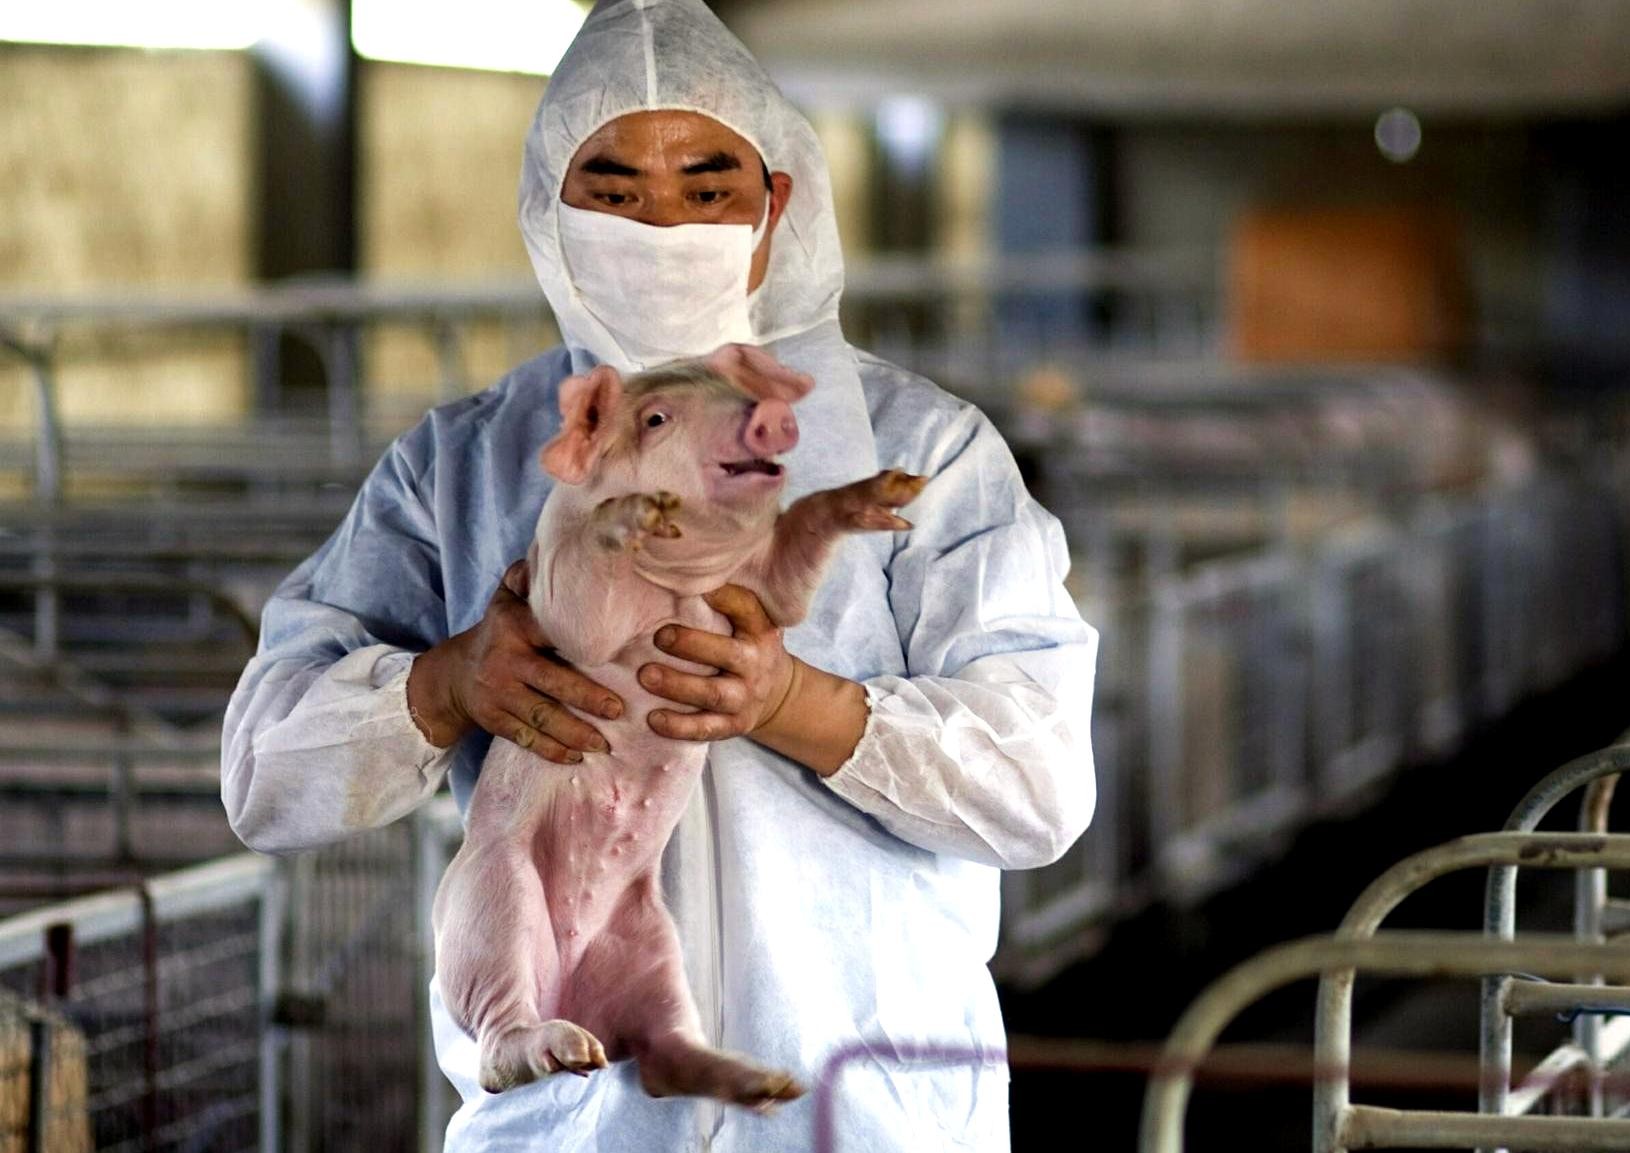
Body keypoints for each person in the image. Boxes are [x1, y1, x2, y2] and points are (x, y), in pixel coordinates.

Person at [219, 1, 1098, 1148]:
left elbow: (1038, 785)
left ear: (773, 209)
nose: (662, 223)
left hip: (862, 1112)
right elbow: (265, 774)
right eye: (615, 188)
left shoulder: (920, 453)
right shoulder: (461, 467)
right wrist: (445, 685)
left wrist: (792, 701)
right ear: (551, 208)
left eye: (706, 185)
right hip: (573, 1122)